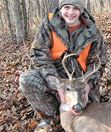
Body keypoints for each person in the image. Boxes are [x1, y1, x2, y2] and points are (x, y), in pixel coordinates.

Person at [18, 0, 106, 131]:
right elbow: (39, 56)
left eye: (75, 8)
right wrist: (59, 86)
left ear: (81, 10)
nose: (70, 12)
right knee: (27, 80)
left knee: (93, 116)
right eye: (67, 7)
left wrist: (87, 86)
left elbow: (98, 63)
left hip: (80, 81)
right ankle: (49, 117)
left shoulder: (92, 32)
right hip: (56, 77)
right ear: (60, 9)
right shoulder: (48, 26)